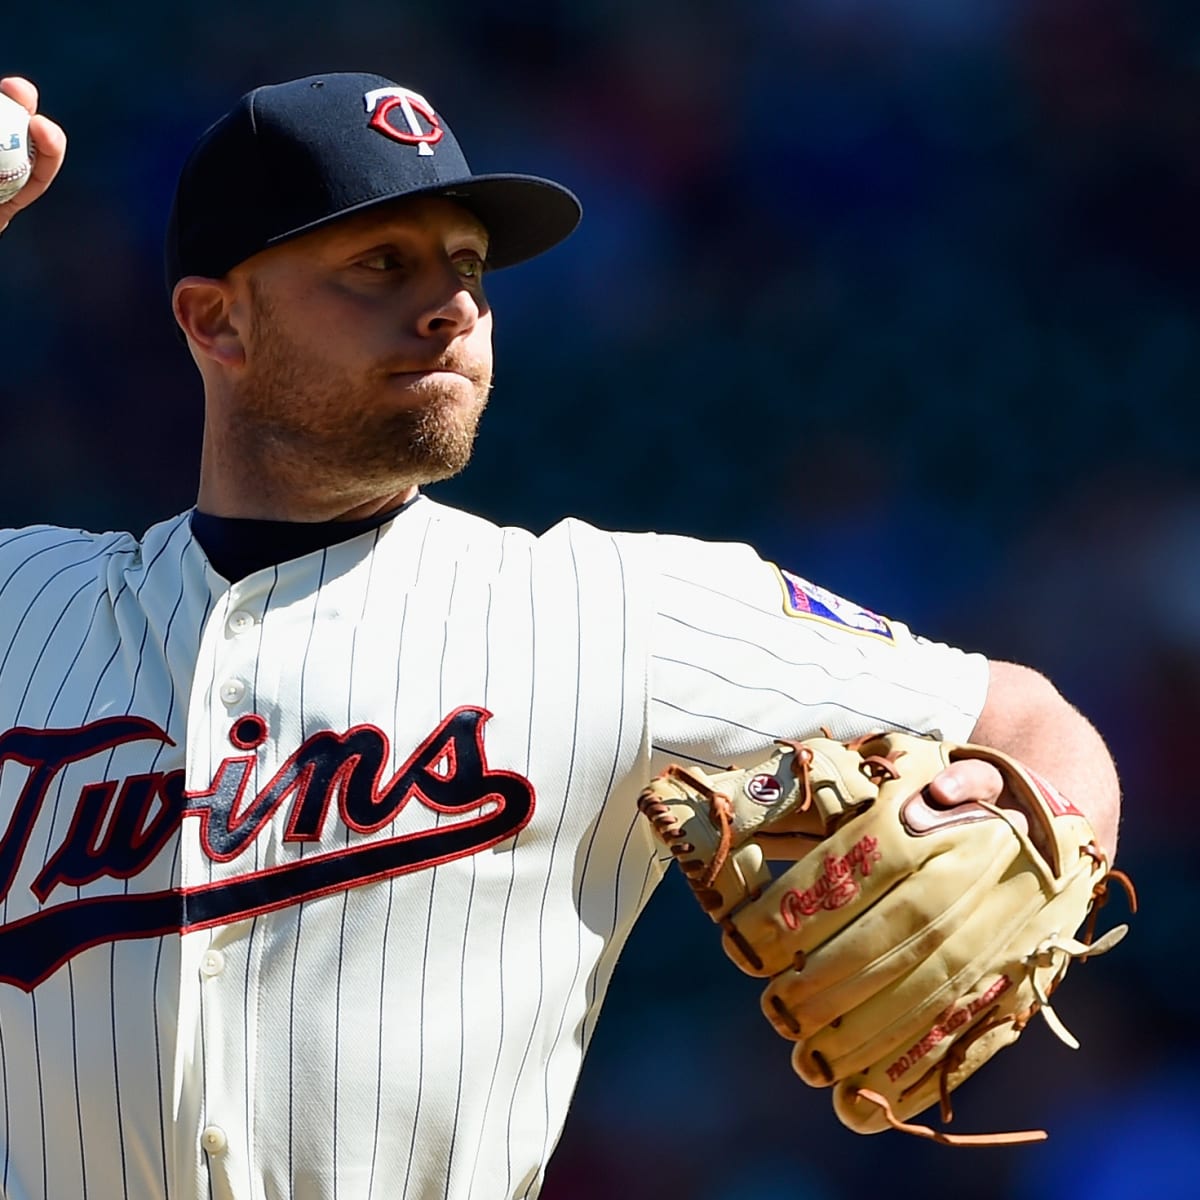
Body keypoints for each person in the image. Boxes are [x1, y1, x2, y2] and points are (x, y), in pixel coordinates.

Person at [0, 70, 1120, 1200]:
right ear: (215, 320)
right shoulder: (27, 602)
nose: (451, 308)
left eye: (468, 268)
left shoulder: (612, 610)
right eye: (381, 264)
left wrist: (1032, 817)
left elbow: (1027, 717)